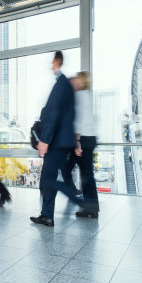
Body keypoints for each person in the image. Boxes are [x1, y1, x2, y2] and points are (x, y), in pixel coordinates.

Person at [30, 51, 85, 227]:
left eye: (52, 61)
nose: (51, 64)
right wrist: (75, 142)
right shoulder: (65, 86)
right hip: (62, 141)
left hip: (56, 142)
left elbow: (53, 113)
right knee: (48, 177)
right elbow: (71, 115)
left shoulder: (62, 83)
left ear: (57, 61)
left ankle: (74, 197)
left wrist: (44, 140)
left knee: (49, 179)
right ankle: (46, 215)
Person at [61, 72, 100, 218]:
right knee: (86, 174)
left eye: (77, 78)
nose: (75, 80)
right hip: (90, 138)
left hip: (82, 139)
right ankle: (92, 207)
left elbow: (78, 119)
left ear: (81, 81)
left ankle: (87, 206)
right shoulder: (87, 95)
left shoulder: (79, 96)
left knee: (80, 173)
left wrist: (77, 142)